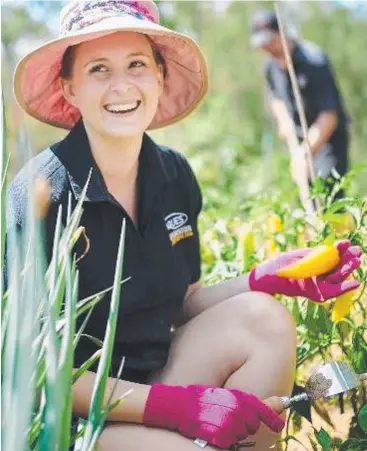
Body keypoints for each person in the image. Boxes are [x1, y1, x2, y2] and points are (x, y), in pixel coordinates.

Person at [6, 2, 362, 450]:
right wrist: (174, 407)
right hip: (76, 417)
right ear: (70, 87)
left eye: (137, 64)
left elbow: (183, 303)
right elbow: (33, 369)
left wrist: (260, 278)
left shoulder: (173, 175)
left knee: (264, 319)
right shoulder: (42, 195)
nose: (121, 85)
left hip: (160, 375)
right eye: (99, 68)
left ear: (159, 76)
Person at [250, 8, 351, 199]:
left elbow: (329, 117)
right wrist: (287, 130)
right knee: (304, 194)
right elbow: (276, 99)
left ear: (282, 34)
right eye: (261, 44)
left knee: (328, 190)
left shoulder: (314, 61)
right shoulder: (270, 66)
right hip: (299, 140)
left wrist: (304, 153)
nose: (265, 48)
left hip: (327, 139)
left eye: (269, 41)